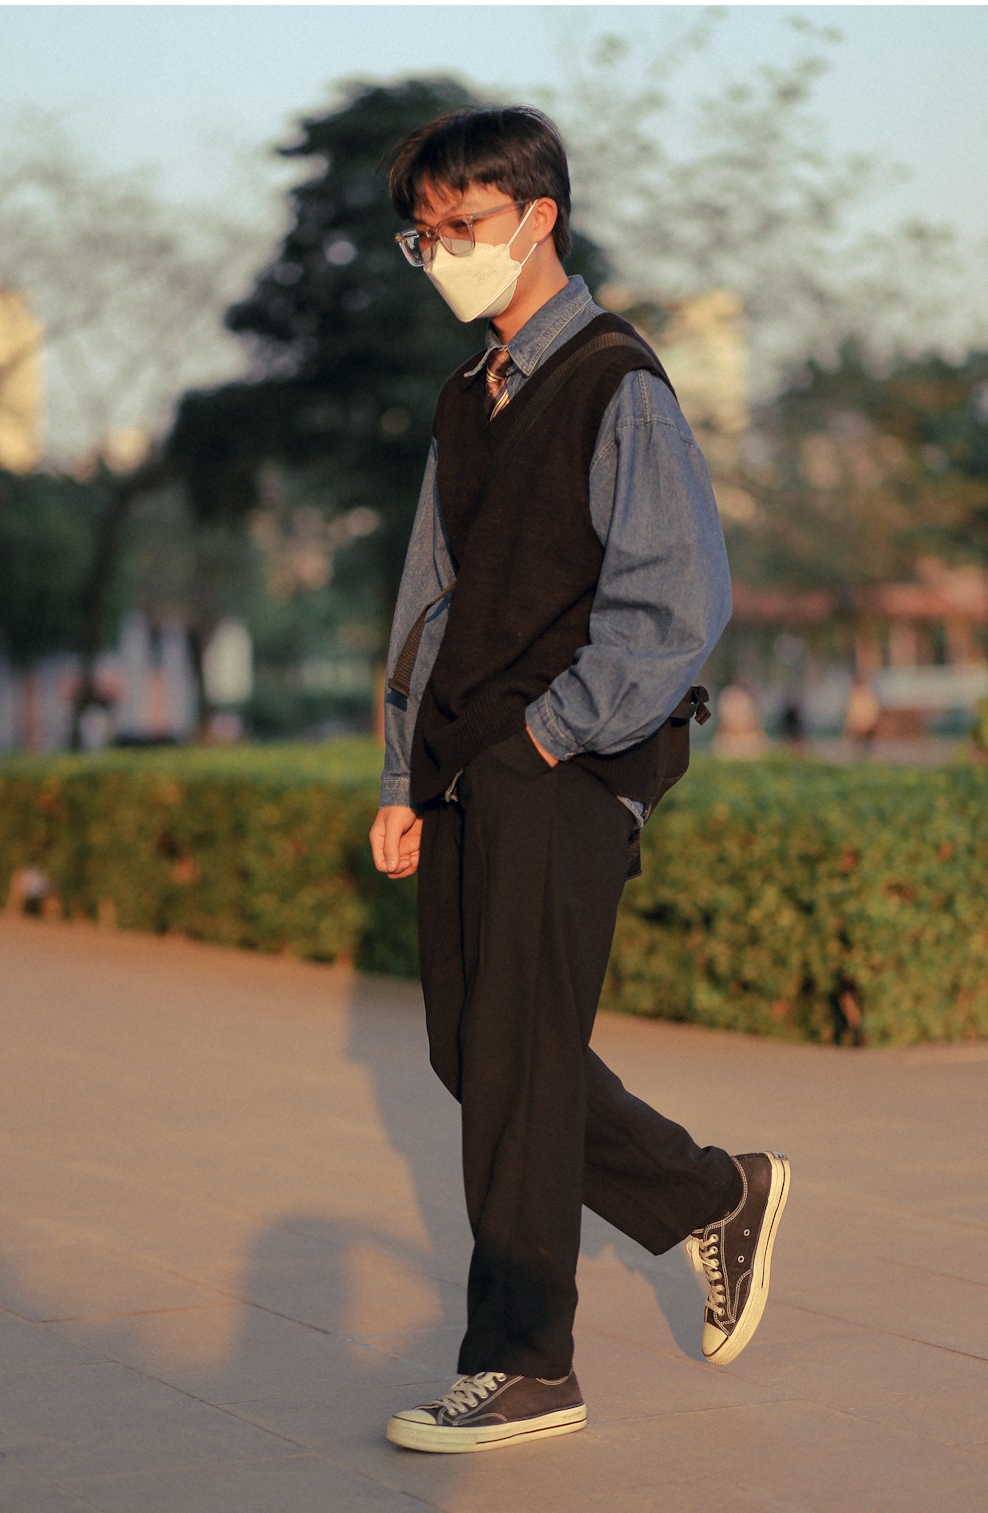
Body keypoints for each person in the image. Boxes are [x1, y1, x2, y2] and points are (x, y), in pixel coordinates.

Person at [368, 105, 789, 1455]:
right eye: (422, 235)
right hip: (465, 774)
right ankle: (713, 1193)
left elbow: (679, 605)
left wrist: (551, 736)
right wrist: (401, 767)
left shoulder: (620, 385)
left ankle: (525, 1359)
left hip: (561, 764)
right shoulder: (466, 397)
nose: (440, 255)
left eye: (462, 228)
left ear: (536, 218)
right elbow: (427, 603)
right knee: (466, 1048)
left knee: (515, 1056)